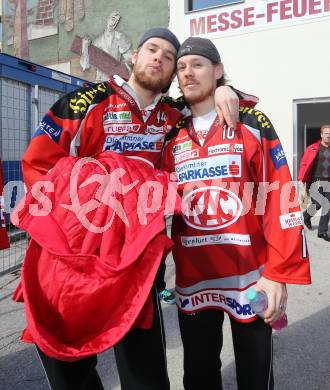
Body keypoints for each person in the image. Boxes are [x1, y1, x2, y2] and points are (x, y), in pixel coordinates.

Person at [19, 28, 246, 390]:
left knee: (146, 374)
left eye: (168, 57)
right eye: (151, 49)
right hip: (76, 259)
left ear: (172, 73)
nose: (158, 57)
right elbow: (38, 165)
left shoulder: (174, 115)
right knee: (67, 362)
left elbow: (215, 104)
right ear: (134, 58)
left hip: (140, 261)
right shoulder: (85, 102)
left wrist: (224, 89)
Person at [162, 37, 311, 390]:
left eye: (197, 64)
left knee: (255, 376)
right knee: (198, 376)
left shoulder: (251, 121)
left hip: (251, 278)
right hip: (194, 282)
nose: (187, 73)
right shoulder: (171, 133)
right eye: (181, 68)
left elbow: (281, 198)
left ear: (218, 70)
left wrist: (277, 273)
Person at [80, 10, 133, 82]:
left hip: (114, 80)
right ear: (107, 19)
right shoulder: (97, 41)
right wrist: (85, 47)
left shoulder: (120, 37)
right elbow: (85, 65)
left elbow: (130, 59)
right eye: (113, 19)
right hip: (100, 80)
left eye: (117, 21)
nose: (114, 23)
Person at [299, 125, 330, 241]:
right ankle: (306, 216)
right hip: (316, 181)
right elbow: (304, 164)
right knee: (317, 204)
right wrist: (301, 181)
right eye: (326, 133)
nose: (328, 135)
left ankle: (322, 231)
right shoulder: (312, 148)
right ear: (321, 135)